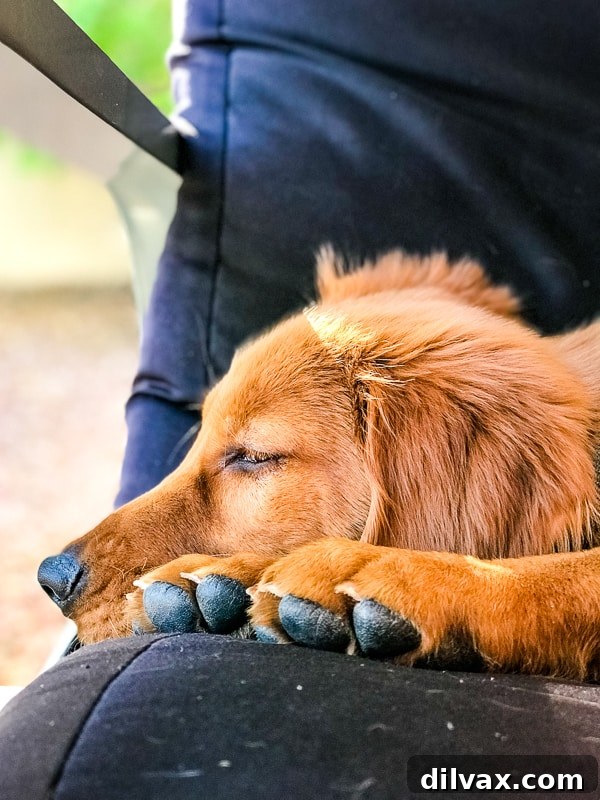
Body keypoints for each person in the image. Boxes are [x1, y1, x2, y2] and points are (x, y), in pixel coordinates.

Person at [2, 2, 600, 798]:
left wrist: (494, 600)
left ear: (446, 479)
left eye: (251, 457)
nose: (79, 562)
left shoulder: (478, 436)